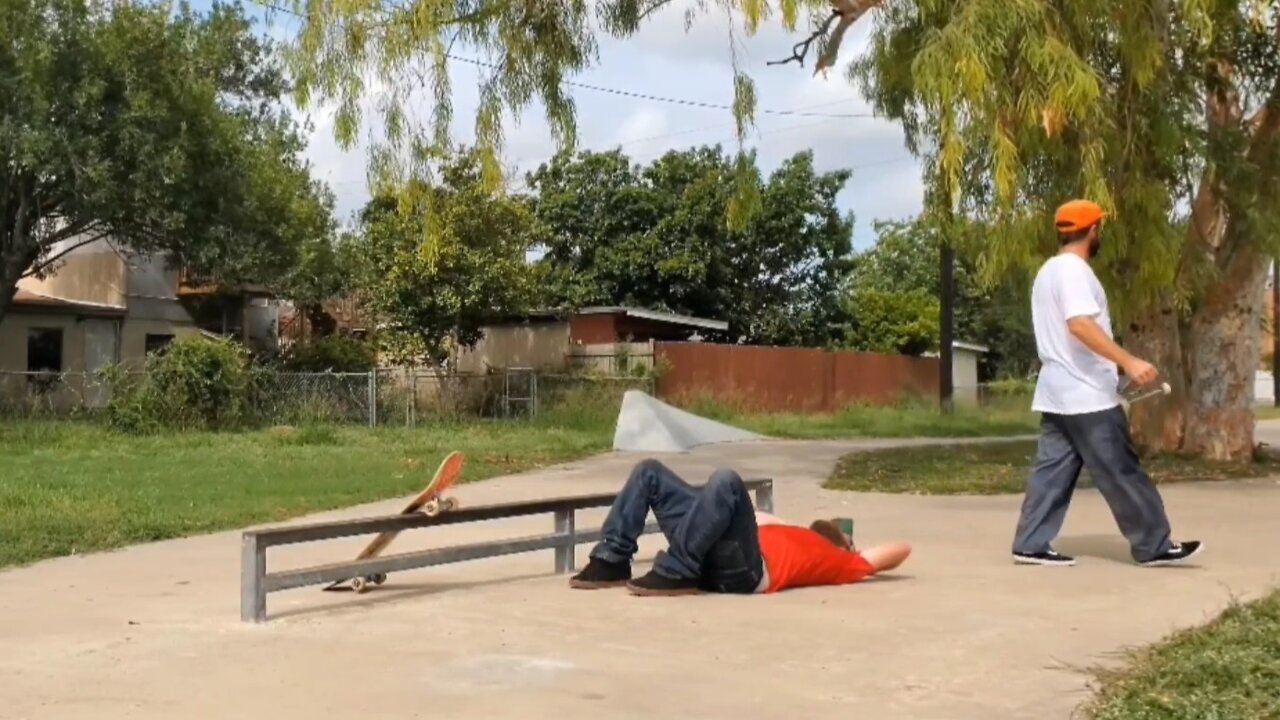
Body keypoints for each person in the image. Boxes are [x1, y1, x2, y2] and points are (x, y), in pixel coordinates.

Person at [1011, 199, 1202, 567]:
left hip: (1058, 394)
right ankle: (1153, 545)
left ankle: (1030, 543)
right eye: (1101, 228)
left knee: (1052, 471)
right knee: (1121, 470)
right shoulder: (1073, 272)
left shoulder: (1048, 271)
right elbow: (1079, 323)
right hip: (1086, 396)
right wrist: (1128, 361)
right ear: (1094, 230)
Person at [568, 459, 911, 596]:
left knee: (727, 481)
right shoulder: (786, 530)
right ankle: (612, 558)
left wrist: (855, 550)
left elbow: (901, 549)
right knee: (649, 473)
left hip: (745, 572)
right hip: (716, 549)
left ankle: (677, 571)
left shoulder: (838, 560)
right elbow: (742, 516)